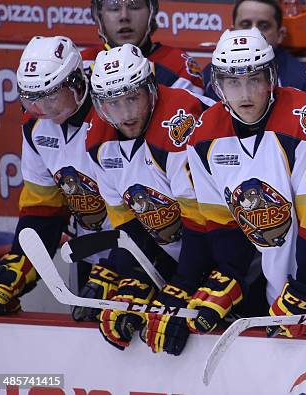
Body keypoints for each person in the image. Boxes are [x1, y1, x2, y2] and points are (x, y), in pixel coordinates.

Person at [143, 28, 306, 356]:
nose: (245, 92)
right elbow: (222, 225)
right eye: (234, 82)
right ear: (219, 86)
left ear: (271, 78)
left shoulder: (305, 118)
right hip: (267, 287)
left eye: (254, 79)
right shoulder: (203, 135)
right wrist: (229, 277)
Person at [86, 43, 214, 350]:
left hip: (237, 248)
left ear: (151, 88)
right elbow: (127, 222)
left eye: (133, 98)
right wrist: (137, 274)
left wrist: (183, 283)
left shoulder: (179, 123)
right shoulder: (98, 140)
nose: (126, 114)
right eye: (113, 104)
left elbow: (205, 222)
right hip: (183, 249)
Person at [0, 36, 122, 317]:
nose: (45, 109)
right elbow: (43, 209)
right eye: (32, 99)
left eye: (52, 95)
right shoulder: (36, 126)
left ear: (76, 81)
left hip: (143, 254)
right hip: (88, 254)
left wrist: (122, 266)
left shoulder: (117, 114)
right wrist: (21, 261)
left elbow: (149, 207)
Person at [202, 0, 306, 117]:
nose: (254, 32)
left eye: (264, 26)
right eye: (245, 24)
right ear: (232, 32)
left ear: (280, 34)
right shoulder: (210, 75)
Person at [83, 0, 204, 95]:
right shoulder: (81, 65)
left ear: (151, 13)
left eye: (134, 7)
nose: (124, 16)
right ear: (98, 16)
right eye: (114, 8)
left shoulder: (179, 66)